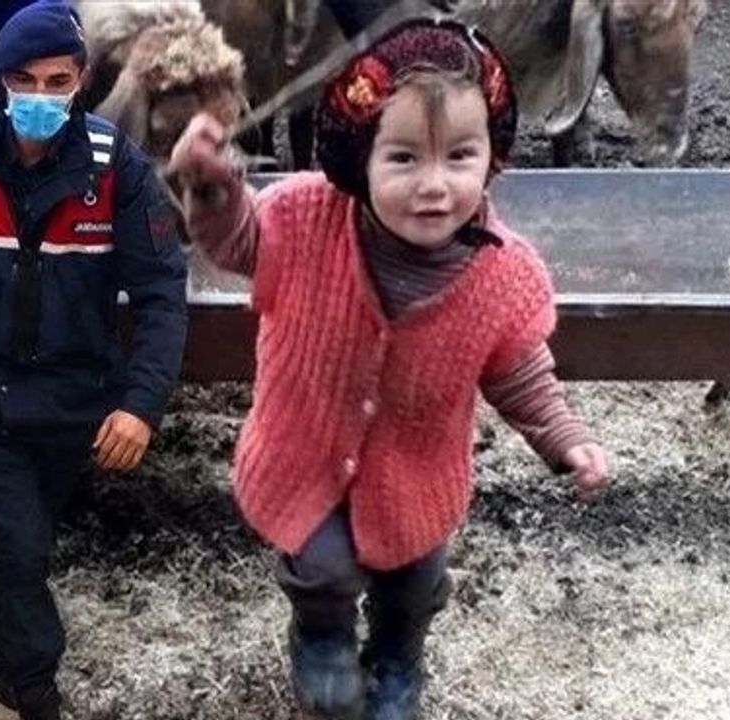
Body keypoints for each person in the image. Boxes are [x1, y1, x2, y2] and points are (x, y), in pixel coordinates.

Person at [168, 19, 609, 720]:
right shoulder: (304, 219)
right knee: (322, 570)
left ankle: (398, 658)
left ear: (492, 155)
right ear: (358, 157)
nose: (434, 185)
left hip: (414, 474)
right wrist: (212, 187)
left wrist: (567, 439)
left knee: (414, 583)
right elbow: (239, 243)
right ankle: (320, 636)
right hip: (303, 453)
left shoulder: (501, 276)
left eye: (460, 156)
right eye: (403, 158)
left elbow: (520, 375)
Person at [0, 2, 188, 718]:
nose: (39, 97)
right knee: (21, 544)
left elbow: (161, 293)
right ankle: (33, 686)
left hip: (74, 396)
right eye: (23, 81)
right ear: (0, 80)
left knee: (26, 544)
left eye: (57, 82)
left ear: (81, 80)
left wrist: (141, 405)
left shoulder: (115, 168)